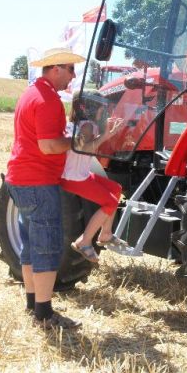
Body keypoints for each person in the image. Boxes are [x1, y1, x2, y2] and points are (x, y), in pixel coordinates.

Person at [5, 47, 84, 331]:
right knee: (47, 247)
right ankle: (45, 313)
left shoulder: (30, 93)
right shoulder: (49, 99)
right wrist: (77, 141)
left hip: (18, 179)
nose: (73, 77)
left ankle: (32, 303)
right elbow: (48, 146)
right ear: (55, 69)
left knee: (30, 245)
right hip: (38, 181)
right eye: (70, 70)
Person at [62, 97, 128, 263]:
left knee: (116, 188)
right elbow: (84, 148)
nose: (103, 111)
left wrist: (108, 133)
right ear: (89, 109)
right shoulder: (88, 126)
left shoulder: (80, 124)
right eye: (100, 108)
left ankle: (105, 233)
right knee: (111, 202)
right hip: (74, 178)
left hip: (79, 174)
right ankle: (83, 241)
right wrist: (106, 135)